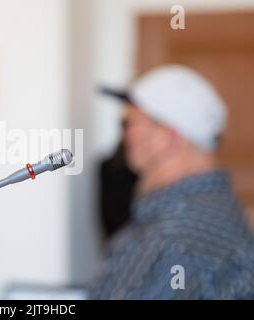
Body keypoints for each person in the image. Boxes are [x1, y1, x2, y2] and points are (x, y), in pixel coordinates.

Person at [89, 65, 254, 299]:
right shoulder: (190, 215)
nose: (125, 136)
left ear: (168, 138)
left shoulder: (179, 239)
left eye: (131, 123)